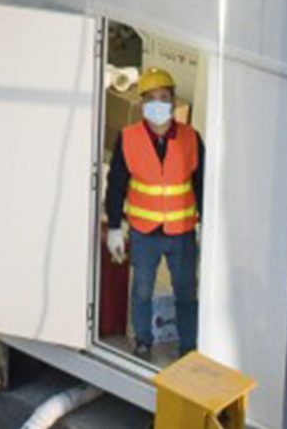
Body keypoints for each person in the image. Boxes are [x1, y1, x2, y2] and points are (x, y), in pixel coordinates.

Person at [103, 67, 202, 361]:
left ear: (172, 102)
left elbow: (202, 183)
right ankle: (143, 340)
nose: (159, 103)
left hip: (182, 232)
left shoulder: (190, 138)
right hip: (145, 232)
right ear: (144, 104)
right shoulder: (129, 138)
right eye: (152, 98)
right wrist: (114, 227)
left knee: (186, 292)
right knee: (143, 290)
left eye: (164, 97)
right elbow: (116, 184)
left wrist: (208, 223)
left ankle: (188, 345)